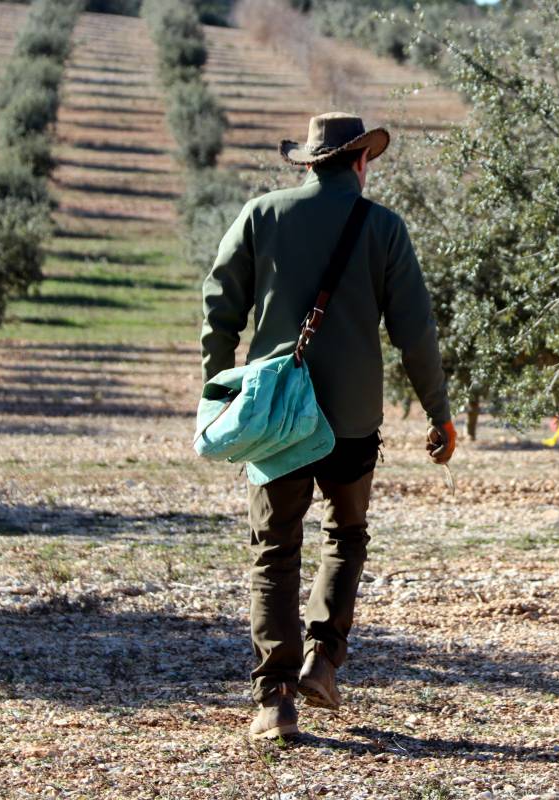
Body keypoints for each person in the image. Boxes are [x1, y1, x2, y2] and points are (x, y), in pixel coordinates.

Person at [200, 112, 456, 740]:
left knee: (275, 550)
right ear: (361, 161)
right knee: (345, 536)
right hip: (351, 419)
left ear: (310, 163)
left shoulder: (261, 215)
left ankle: (276, 699)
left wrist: (218, 390)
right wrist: (439, 412)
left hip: (276, 418)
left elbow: (219, 307)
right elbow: (416, 333)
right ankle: (323, 662)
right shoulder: (384, 228)